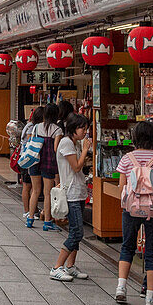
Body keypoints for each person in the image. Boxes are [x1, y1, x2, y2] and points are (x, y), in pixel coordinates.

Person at [115, 121, 153, 305]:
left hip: (130, 208)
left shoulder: (127, 158)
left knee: (127, 247)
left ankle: (121, 288)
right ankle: (149, 297)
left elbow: (122, 185)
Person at [50, 113, 93, 282]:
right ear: (73, 129)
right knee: (76, 232)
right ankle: (56, 267)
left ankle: (70, 265)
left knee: (77, 231)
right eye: (82, 128)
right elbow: (76, 167)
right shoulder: (66, 142)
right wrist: (84, 151)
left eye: (86, 128)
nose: (84, 131)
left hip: (79, 191)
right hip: (72, 193)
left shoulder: (73, 143)